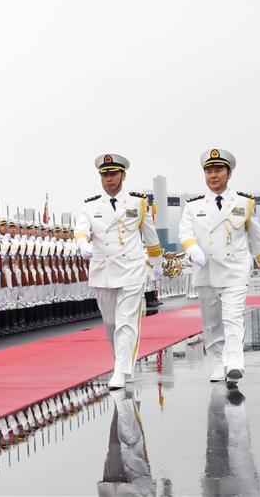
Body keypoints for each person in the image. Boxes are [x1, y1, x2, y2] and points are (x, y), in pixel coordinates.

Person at [178, 148, 260, 383]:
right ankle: (216, 363)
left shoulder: (244, 203)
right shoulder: (193, 206)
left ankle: (234, 362)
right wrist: (192, 248)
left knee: (232, 317)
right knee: (211, 322)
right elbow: (185, 232)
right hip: (206, 269)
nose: (213, 175)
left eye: (218, 170)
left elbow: (257, 236)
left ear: (229, 173)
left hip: (234, 270)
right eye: (209, 171)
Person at [75, 153, 163, 389]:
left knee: (126, 322)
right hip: (103, 270)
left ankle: (120, 370)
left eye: (113, 174)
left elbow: (150, 237)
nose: (108, 179)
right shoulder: (90, 205)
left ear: (123, 175)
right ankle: (122, 363)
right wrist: (82, 242)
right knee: (111, 324)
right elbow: (81, 229)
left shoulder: (138, 203)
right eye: (104, 175)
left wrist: (156, 264)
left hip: (131, 269)